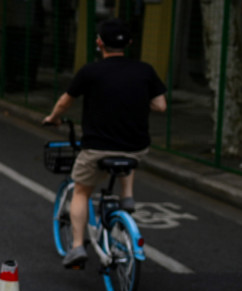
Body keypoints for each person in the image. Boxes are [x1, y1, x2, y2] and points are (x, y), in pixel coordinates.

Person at [42, 18, 167, 268]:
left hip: (97, 148)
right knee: (128, 151)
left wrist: (53, 118)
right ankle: (127, 195)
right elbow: (160, 106)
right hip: (136, 147)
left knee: (81, 190)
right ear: (129, 43)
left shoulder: (90, 71)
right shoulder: (145, 70)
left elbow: (66, 102)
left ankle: (77, 246)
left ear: (99, 43)